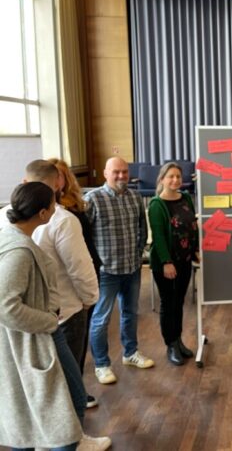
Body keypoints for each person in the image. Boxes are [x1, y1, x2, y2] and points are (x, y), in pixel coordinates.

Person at [0, 182, 82, 451]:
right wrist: (47, 321)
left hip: (27, 342)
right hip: (34, 340)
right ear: (44, 213)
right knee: (63, 424)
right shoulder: (18, 251)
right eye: (54, 205)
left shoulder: (12, 238)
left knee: (27, 423)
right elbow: (5, 306)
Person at [86, 157, 153, 385]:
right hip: (106, 271)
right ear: (105, 173)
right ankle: (102, 364)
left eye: (125, 172)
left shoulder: (135, 196)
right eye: (116, 172)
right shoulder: (92, 199)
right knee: (101, 319)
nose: (122, 176)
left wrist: (138, 253)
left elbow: (142, 230)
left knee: (130, 313)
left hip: (132, 267)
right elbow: (85, 238)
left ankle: (130, 353)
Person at [48, 158, 102, 409]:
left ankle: (77, 390)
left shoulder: (76, 207)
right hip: (62, 293)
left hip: (83, 280)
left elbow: (84, 251)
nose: (56, 181)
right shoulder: (48, 214)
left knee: (77, 346)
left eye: (59, 175)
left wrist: (89, 292)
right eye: (51, 176)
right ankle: (69, 401)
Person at [148, 162, 199, 366]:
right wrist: (167, 262)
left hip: (185, 260)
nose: (176, 180)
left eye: (178, 176)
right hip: (166, 264)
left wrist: (194, 249)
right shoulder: (156, 205)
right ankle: (170, 344)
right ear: (162, 180)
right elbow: (158, 237)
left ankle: (178, 340)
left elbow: (192, 226)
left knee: (179, 302)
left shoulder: (186, 198)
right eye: (171, 177)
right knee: (168, 303)